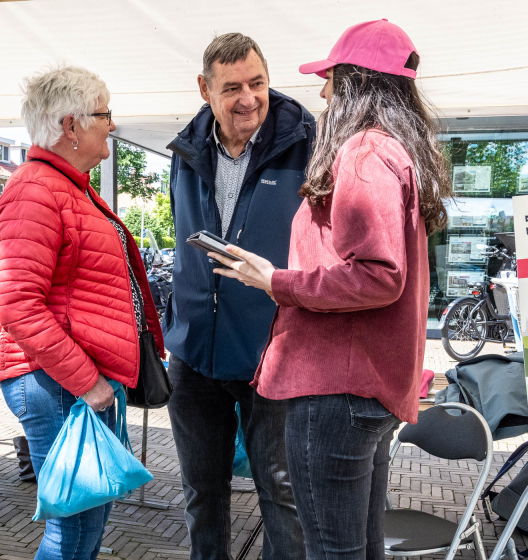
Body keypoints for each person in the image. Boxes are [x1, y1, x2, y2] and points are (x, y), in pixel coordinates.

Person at [210, 20, 451, 559]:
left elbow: (377, 275)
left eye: (331, 79)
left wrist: (275, 280)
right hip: (363, 384)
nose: (322, 92)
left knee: (331, 549)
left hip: (335, 387)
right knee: (360, 546)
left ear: (355, 84)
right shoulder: (395, 151)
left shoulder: (365, 153)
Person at [0, 64, 164, 560]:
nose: (111, 125)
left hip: (74, 383)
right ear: (71, 125)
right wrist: (88, 383)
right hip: (61, 386)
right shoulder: (37, 191)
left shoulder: (68, 187)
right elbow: (18, 304)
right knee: (72, 531)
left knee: (85, 527)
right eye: (104, 115)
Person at [163, 32, 312, 560]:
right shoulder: (184, 151)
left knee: (282, 495)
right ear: (205, 89)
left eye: (257, 83)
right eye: (232, 88)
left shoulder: (309, 145)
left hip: (272, 354)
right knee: (202, 494)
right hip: (193, 356)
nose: (248, 98)